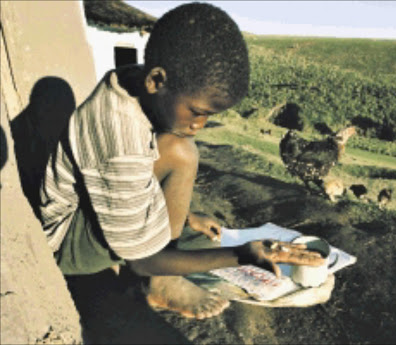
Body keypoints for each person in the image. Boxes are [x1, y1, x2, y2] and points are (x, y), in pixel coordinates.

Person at [38, 2, 324, 320]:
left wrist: (183, 214)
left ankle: (169, 263)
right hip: (68, 243)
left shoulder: (131, 81)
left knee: (184, 168)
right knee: (180, 151)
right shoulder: (118, 137)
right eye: (198, 112)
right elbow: (142, 260)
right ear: (157, 81)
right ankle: (161, 282)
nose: (199, 126)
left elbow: (129, 178)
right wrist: (242, 255)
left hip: (96, 206)